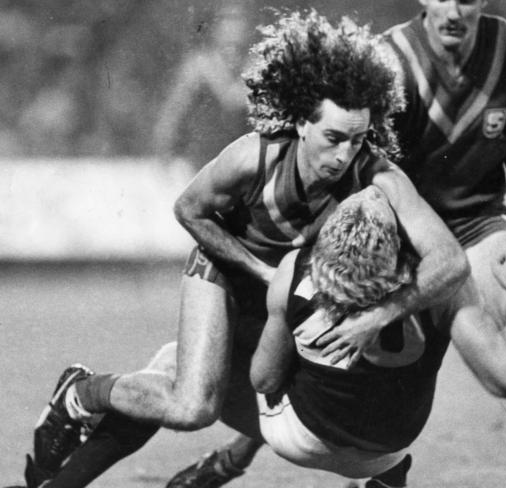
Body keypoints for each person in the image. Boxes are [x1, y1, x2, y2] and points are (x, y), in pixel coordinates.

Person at [24, 11, 469, 488]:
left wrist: (379, 315)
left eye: (358, 140)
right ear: (301, 123)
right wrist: (258, 270)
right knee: (193, 405)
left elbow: (451, 262)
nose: (345, 156)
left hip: (284, 293)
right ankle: (83, 392)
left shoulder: (378, 176)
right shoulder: (252, 157)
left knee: (302, 376)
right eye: (334, 138)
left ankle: (217, 461)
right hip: (227, 274)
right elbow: (189, 210)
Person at [305, 1, 506, 487]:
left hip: (478, 226)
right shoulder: (389, 61)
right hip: (404, 234)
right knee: (360, 368)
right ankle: (253, 457)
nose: (453, 9)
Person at [247, 185, 506, 487]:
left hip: (299, 440)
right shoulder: (445, 286)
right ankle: (388, 476)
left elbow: (264, 380)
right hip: (388, 449)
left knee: (272, 345)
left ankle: (238, 451)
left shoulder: (294, 267)